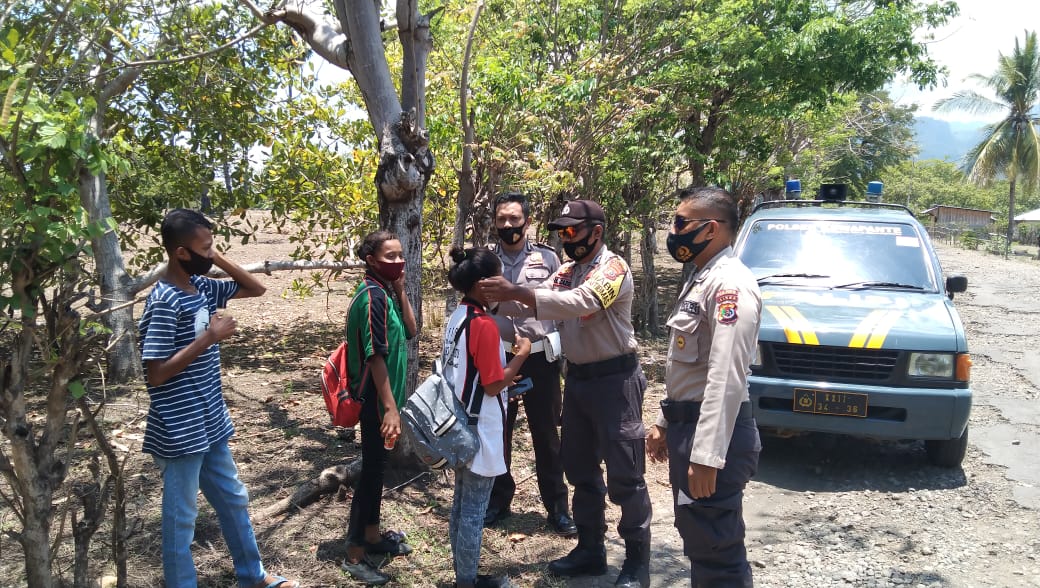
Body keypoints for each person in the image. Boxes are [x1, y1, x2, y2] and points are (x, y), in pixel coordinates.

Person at [479, 200, 652, 588]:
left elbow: (580, 303)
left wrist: (517, 293)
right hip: (577, 380)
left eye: (573, 231)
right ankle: (591, 549)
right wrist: (479, 315)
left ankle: (637, 563)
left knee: (626, 475)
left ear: (597, 232)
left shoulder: (613, 267)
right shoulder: (567, 272)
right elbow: (538, 313)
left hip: (615, 381)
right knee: (579, 468)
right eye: (562, 232)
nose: (566, 238)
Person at [138, 209, 299, 588]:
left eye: (212, 248)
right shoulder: (165, 301)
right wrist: (209, 337)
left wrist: (216, 257)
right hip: (179, 428)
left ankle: (253, 576)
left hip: (210, 421)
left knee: (233, 499)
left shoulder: (204, 287)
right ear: (180, 253)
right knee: (182, 520)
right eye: (203, 249)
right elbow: (156, 374)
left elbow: (255, 287)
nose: (210, 255)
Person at [645, 186, 763, 588]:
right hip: (688, 425)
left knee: (716, 547)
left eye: (680, 223)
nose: (673, 231)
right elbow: (687, 365)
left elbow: (727, 374)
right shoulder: (703, 277)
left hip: (713, 436)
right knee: (698, 535)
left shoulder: (730, 285)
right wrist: (664, 420)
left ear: (710, 228)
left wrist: (708, 455)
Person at [483, 192, 576, 537]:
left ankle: (557, 508)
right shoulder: (485, 260)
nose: (508, 226)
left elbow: (562, 304)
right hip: (500, 358)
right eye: (502, 219)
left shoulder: (548, 259)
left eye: (514, 219)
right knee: (498, 432)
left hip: (540, 359)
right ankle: (498, 501)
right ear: (494, 222)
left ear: (527, 221)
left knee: (546, 435)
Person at [444, 246, 531, 588]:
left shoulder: (458, 316)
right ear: (483, 284)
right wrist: (520, 357)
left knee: (461, 504)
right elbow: (494, 384)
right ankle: (468, 581)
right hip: (480, 427)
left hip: (458, 423)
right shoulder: (484, 324)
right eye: (498, 278)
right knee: (474, 512)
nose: (503, 284)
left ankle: (462, 574)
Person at [341, 230, 418, 585]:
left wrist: (401, 289)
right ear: (371, 260)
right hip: (376, 400)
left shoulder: (385, 293)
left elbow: (412, 331)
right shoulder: (371, 297)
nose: (398, 261)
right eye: (389, 256)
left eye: (400, 255)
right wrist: (389, 408)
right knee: (371, 475)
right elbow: (374, 356)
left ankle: (372, 537)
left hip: (386, 400)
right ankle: (355, 554)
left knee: (377, 469)